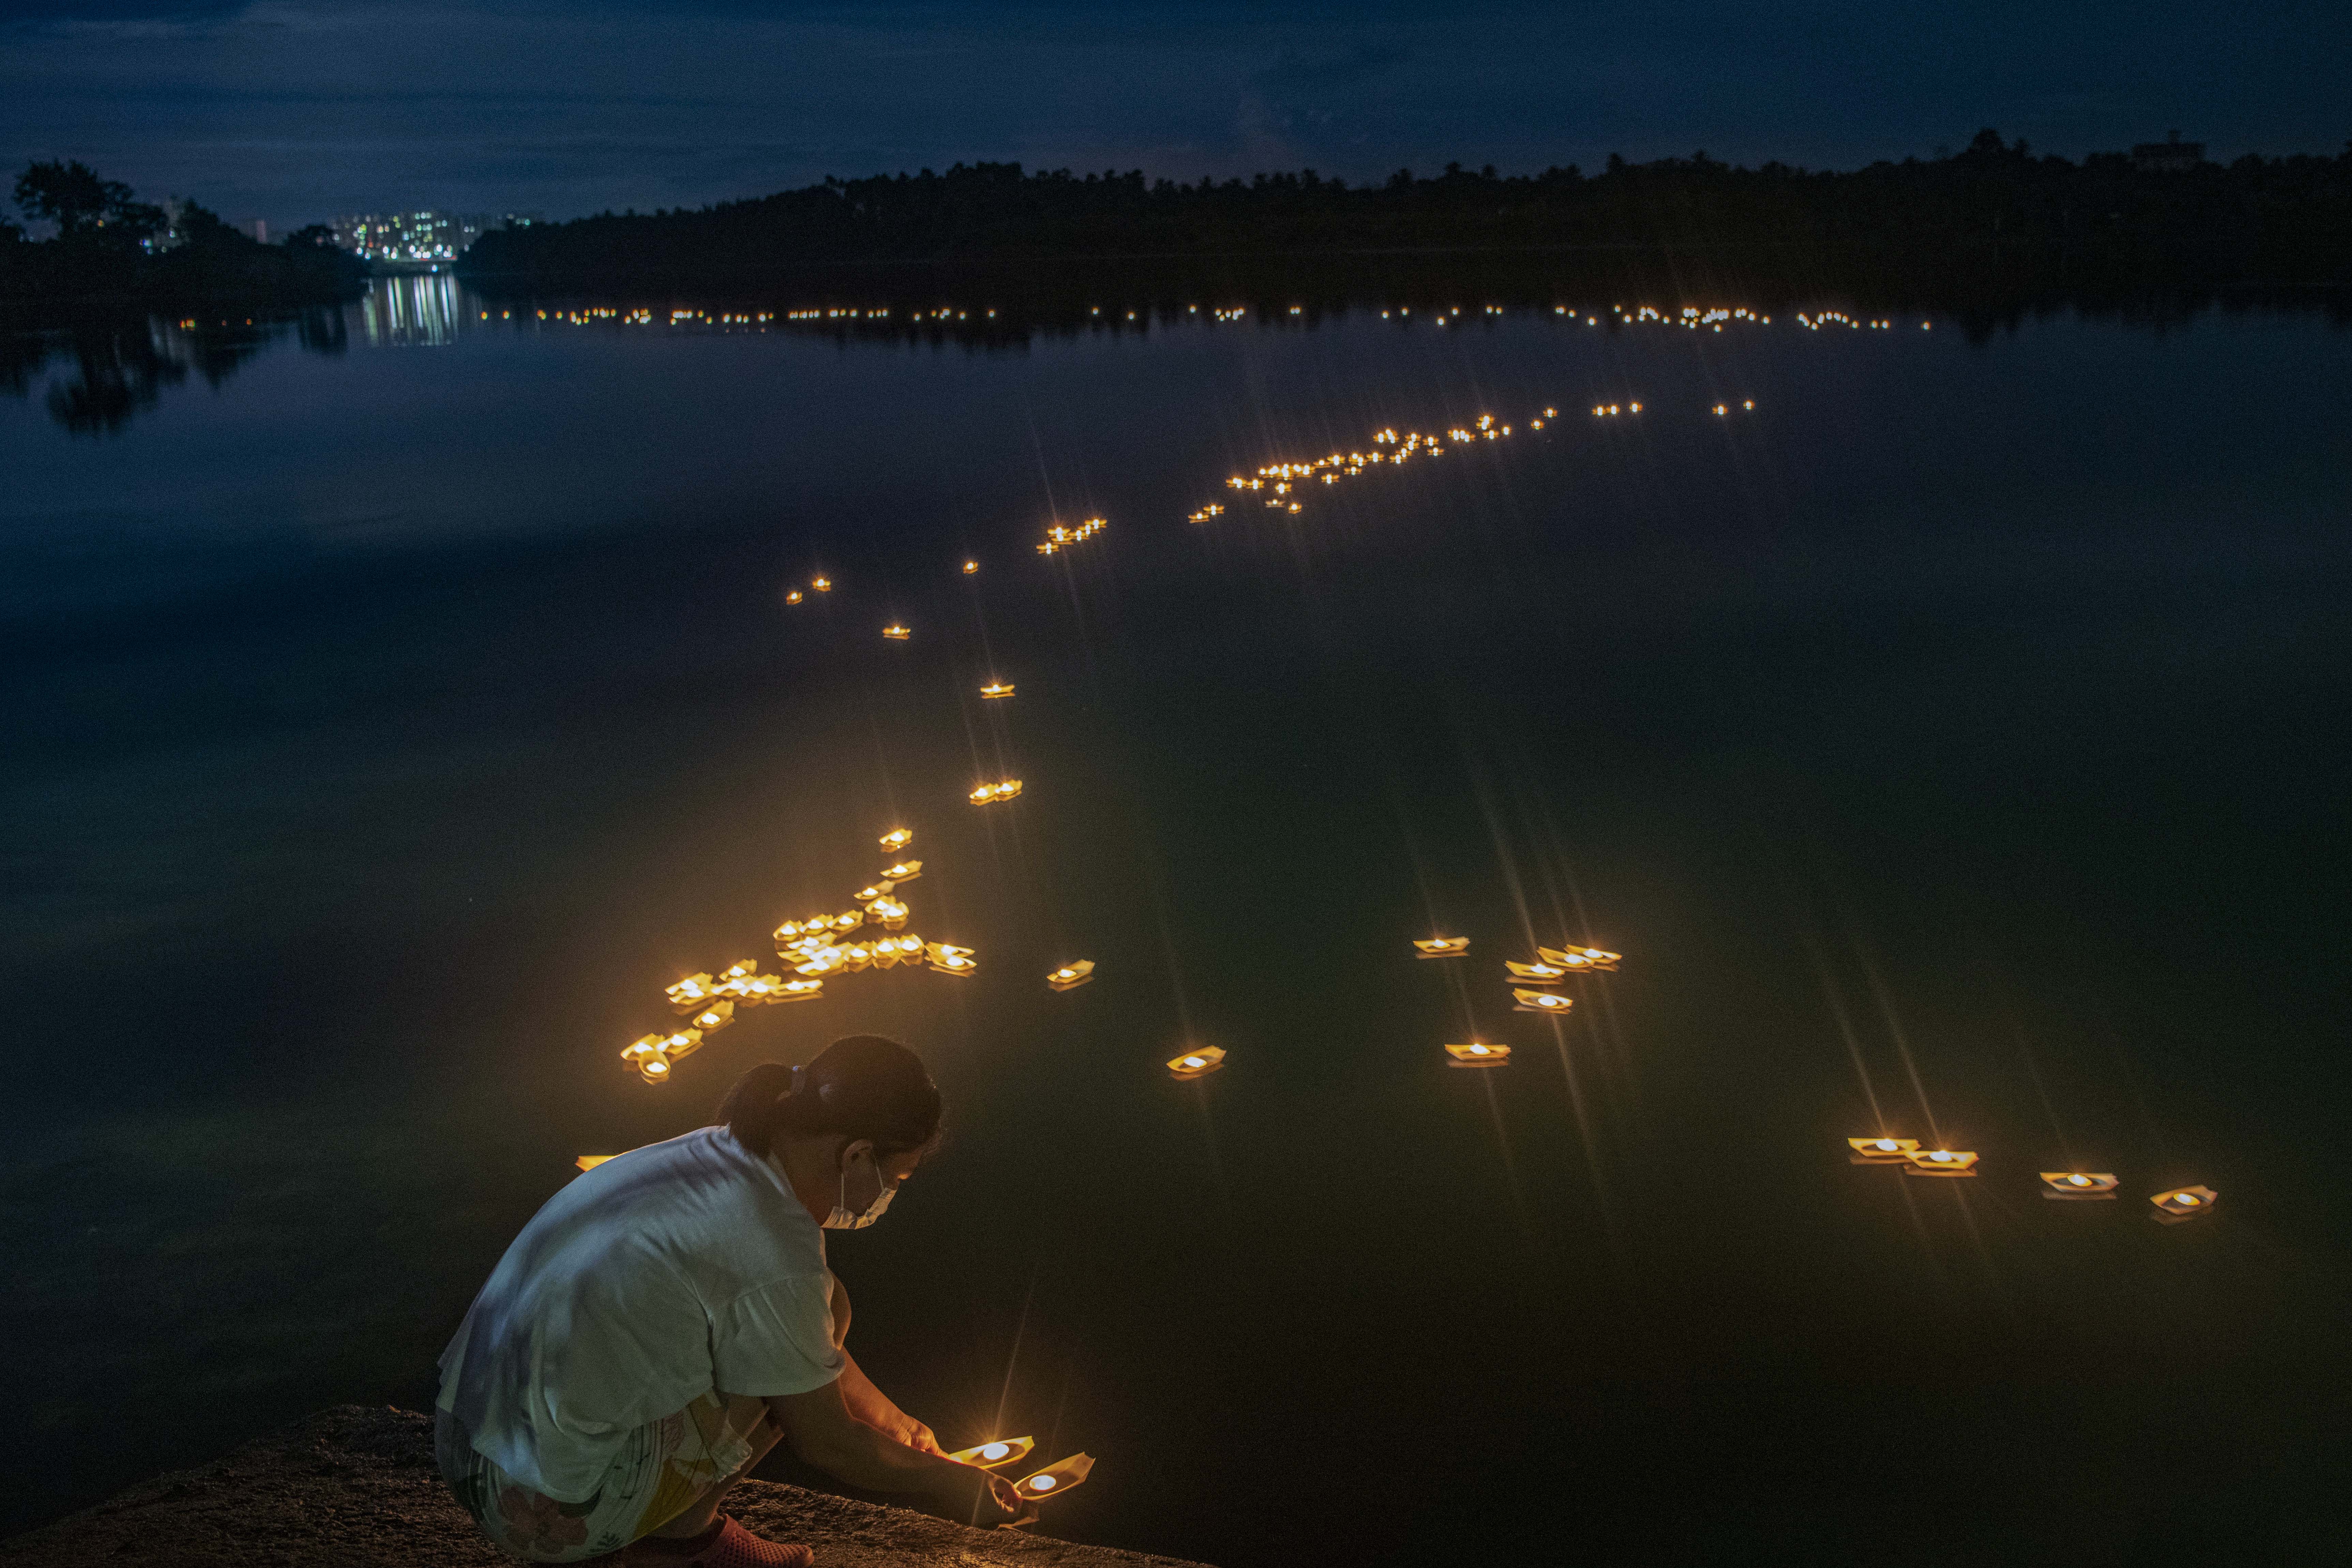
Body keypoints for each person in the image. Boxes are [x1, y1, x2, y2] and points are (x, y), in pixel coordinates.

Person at [434, 1035, 1026, 1565]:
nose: (889, 1194)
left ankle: (664, 1518)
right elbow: (827, 1443)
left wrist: (894, 1424)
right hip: (544, 1508)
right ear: (855, 1155)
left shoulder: (713, 1152)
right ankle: (680, 1542)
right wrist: (953, 1483)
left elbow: (797, 1332)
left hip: (464, 1438)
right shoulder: (771, 1242)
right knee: (790, 1347)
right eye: (896, 1178)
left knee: (820, 1308)